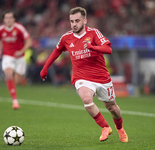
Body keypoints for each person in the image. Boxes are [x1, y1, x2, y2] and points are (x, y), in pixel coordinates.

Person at [40, 7, 128, 142]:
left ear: (85, 20)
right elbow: (56, 51)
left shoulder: (94, 33)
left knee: (112, 108)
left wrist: (93, 47)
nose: (74, 24)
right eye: (71, 21)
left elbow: (108, 49)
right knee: (86, 99)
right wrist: (45, 68)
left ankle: (120, 129)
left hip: (101, 77)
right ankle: (105, 127)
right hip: (81, 77)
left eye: (77, 20)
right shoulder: (66, 38)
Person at [0, 10, 32, 109]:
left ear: (14, 19)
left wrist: (21, 51)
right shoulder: (0, 30)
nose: (8, 20)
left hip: (20, 57)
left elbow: (29, 42)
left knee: (18, 81)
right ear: (3, 19)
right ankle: (15, 102)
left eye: (10, 18)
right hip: (8, 56)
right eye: (6, 18)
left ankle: (10, 82)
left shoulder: (19, 28)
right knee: (8, 74)